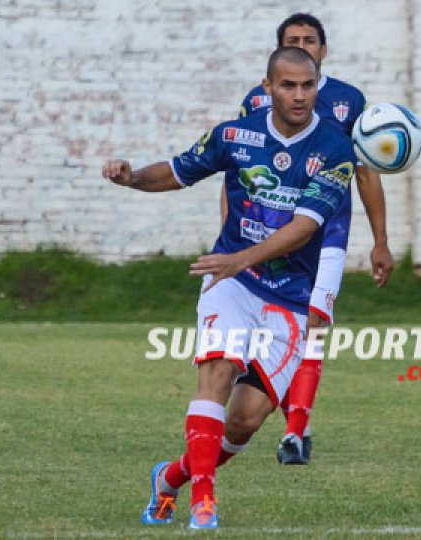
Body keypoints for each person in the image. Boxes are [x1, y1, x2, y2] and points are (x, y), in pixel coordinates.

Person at [103, 47, 356, 530]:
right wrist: (132, 178)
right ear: (268, 88)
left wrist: (240, 256)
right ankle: (204, 504)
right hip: (232, 281)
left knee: (243, 423)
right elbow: (177, 170)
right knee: (217, 374)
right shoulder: (235, 136)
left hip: (289, 296)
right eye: (288, 85)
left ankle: (170, 478)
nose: (299, 95)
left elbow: (304, 227)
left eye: (308, 85)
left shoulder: (335, 149)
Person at [230, 12, 394, 465]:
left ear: (324, 50)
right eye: (293, 40)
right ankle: (275, 408)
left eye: (309, 40)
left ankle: (295, 433)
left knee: (315, 324)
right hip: (270, 234)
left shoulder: (348, 101)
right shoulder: (256, 101)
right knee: (270, 329)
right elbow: (237, 172)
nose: (302, 46)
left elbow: (366, 173)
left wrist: (380, 240)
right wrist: (232, 238)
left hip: (328, 235)